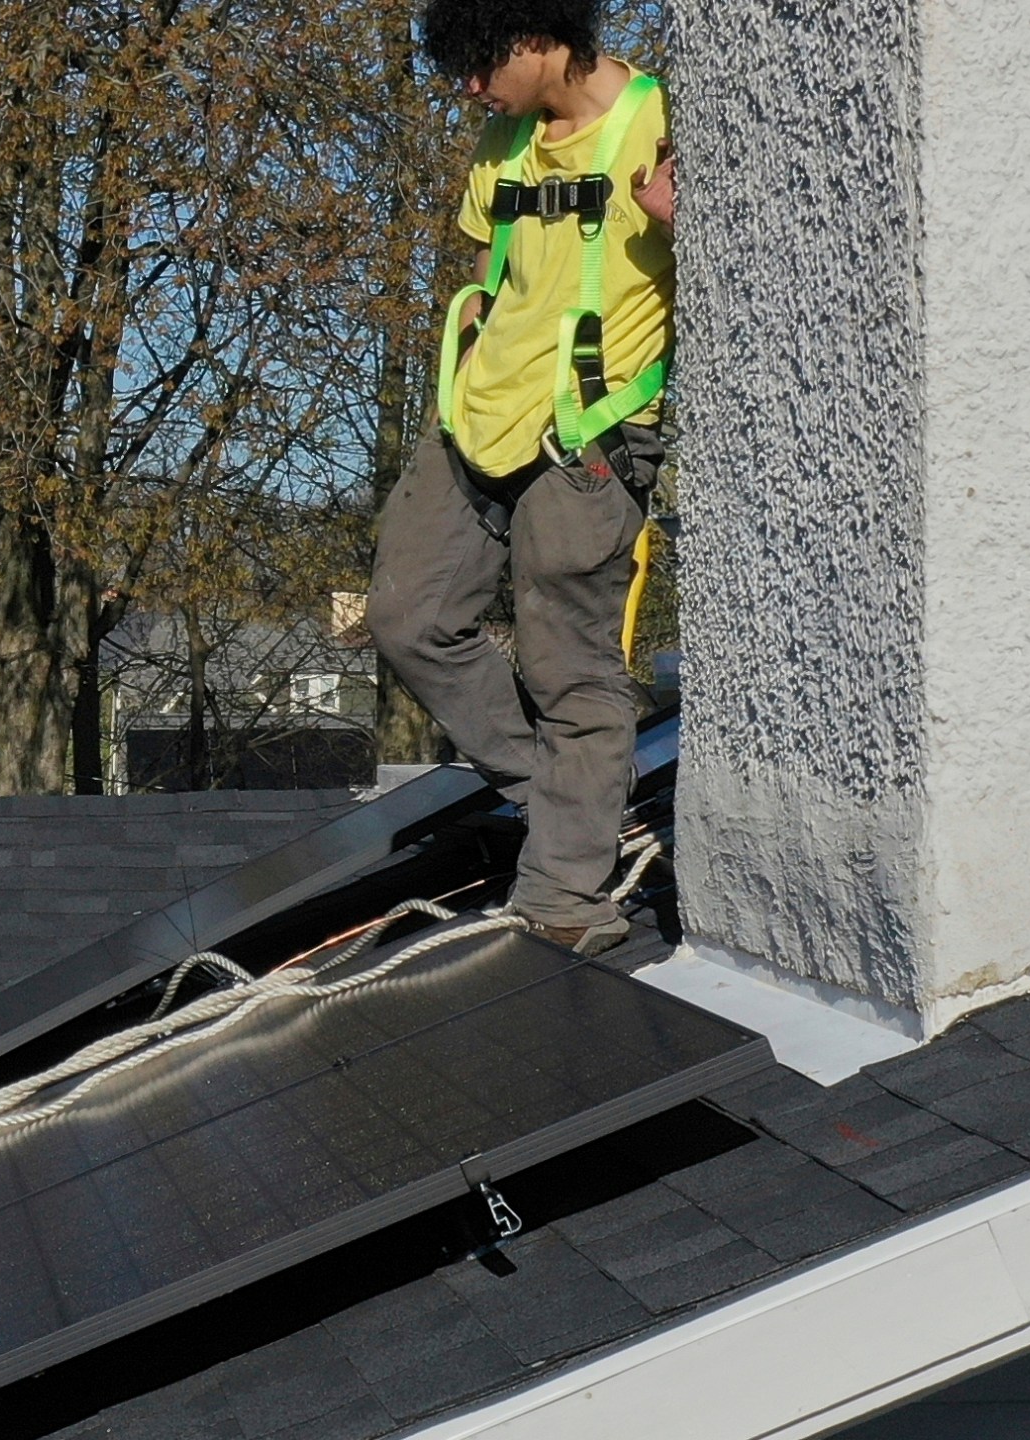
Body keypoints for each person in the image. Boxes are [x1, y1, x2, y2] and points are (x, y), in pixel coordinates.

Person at [369, 0, 678, 956]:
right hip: (476, 418)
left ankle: (565, 902)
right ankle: (565, 801)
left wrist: (695, 231)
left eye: (479, 63)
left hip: (586, 438)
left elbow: (769, 281)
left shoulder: (659, 128)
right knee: (408, 618)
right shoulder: (504, 142)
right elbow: (502, 272)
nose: (468, 86)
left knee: (570, 670)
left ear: (540, 36)